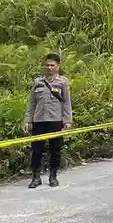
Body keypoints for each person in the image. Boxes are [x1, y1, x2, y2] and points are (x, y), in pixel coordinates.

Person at [23, 52, 73, 189]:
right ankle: (36, 177)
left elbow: (67, 103)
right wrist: (28, 120)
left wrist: (67, 120)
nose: (49, 68)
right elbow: (31, 103)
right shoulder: (37, 82)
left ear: (58, 66)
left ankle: (53, 176)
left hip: (55, 120)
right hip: (39, 120)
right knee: (36, 150)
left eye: (52, 65)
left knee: (55, 150)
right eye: (47, 65)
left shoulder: (63, 82)